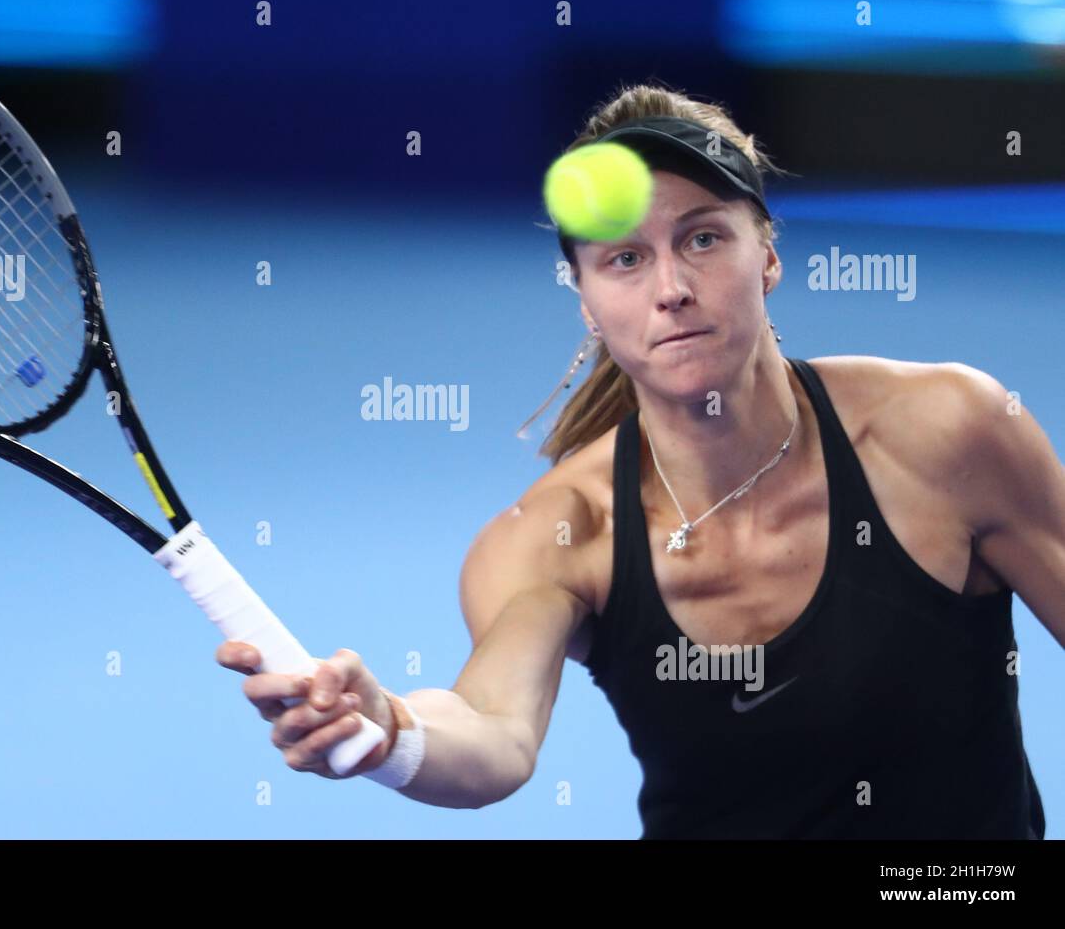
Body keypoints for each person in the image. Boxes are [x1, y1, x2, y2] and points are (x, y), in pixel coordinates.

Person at [216, 84, 1062, 837]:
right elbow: (491, 731)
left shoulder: (951, 433)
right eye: (625, 258)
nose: (670, 288)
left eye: (701, 239)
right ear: (587, 301)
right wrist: (389, 732)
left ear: (766, 253)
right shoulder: (557, 536)